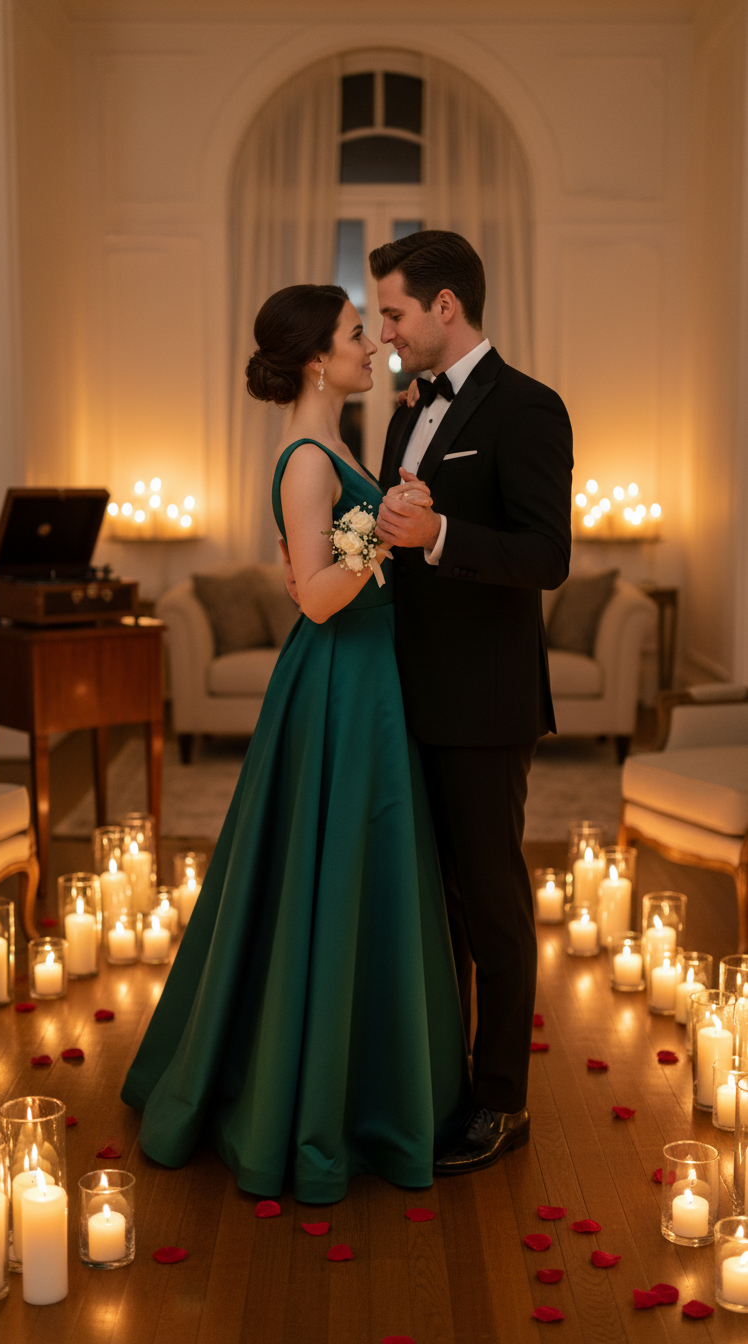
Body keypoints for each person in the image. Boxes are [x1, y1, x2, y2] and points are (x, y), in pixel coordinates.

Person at [121, 283, 471, 1204]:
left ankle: (351, 1076)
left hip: (362, 679)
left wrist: (382, 506)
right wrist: (384, 538)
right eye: (360, 335)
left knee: (354, 867)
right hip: (338, 683)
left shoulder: (331, 447)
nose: (374, 348)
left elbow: (307, 575)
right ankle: (315, 1101)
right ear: (319, 358)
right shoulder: (308, 458)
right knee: (332, 865)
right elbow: (315, 594)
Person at [369, 231, 573, 1173]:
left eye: (396, 314)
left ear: (446, 307)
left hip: (485, 703)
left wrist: (443, 531)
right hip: (403, 693)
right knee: (433, 900)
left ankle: (502, 1103)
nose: (387, 333)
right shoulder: (404, 409)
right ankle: (442, 1082)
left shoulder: (532, 408)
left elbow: (546, 556)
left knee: (491, 904)